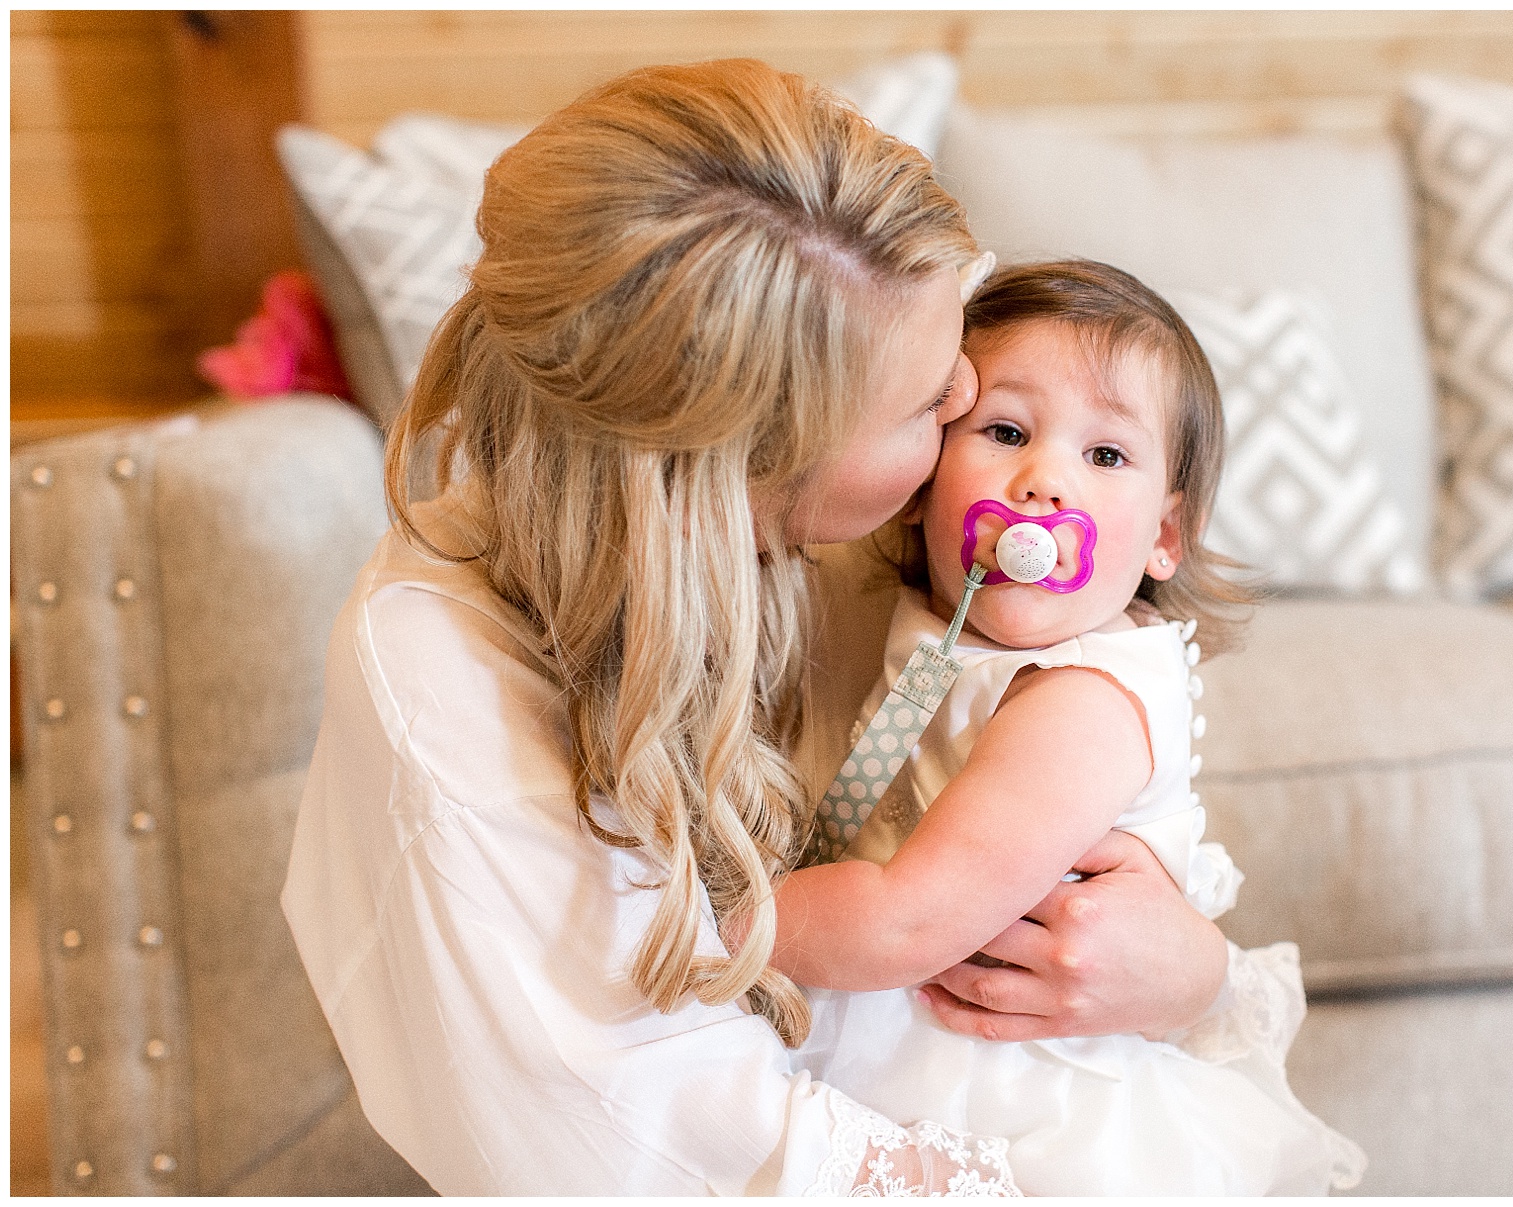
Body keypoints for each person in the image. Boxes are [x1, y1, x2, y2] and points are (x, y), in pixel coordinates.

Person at [282, 60, 1231, 1195]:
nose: (975, 427)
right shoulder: (445, 692)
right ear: (746, 472)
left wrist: (1193, 973)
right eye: (945, 408)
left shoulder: (890, 563)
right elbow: (662, 1134)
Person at [772, 261, 1367, 1195]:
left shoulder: (1084, 697)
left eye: (1106, 456)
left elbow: (906, 918)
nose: (1044, 479)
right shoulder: (926, 624)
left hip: (1015, 1100)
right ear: (923, 473)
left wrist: (709, 927)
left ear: (1164, 537)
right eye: (1005, 432)